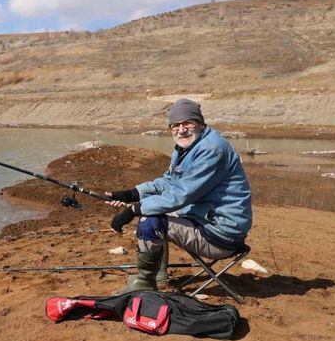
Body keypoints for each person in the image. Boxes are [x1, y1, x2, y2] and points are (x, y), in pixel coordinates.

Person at [106, 98, 252, 294]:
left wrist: (134, 210)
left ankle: (145, 282)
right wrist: (131, 193)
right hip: (208, 221)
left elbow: (180, 195)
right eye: (175, 125)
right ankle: (159, 276)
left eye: (187, 123)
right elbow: (169, 182)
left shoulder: (211, 149)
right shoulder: (188, 148)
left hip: (220, 234)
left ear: (200, 124)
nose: (181, 129)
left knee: (150, 219)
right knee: (158, 210)